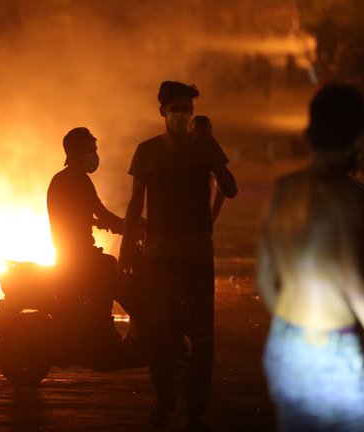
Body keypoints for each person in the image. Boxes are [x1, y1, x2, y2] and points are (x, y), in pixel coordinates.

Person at [257, 83, 364, 431]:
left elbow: (266, 281)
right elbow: (357, 288)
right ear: (356, 135)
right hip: (335, 345)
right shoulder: (347, 197)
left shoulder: (282, 191)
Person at [119, 81, 237, 429]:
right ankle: (166, 399)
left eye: (186, 110)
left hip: (197, 252)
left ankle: (196, 406)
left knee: (202, 334)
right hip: (158, 253)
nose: (181, 116)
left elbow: (230, 188)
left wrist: (216, 158)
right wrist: (127, 249)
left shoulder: (205, 147)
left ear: (192, 114)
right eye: (175, 110)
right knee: (158, 331)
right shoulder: (146, 152)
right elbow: (134, 203)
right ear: (162, 112)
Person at [47, 127, 124, 329]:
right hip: (78, 256)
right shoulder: (79, 180)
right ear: (76, 154)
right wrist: (128, 225)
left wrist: (97, 223)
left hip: (65, 254)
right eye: (90, 150)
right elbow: (101, 212)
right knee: (109, 265)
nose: (94, 155)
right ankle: (103, 326)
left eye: (94, 150)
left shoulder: (59, 179)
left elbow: (72, 214)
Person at [190, 116, 226, 224]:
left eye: (204, 132)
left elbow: (223, 188)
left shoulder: (211, 153)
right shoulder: (183, 151)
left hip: (201, 214)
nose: (200, 135)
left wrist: (212, 216)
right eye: (197, 131)